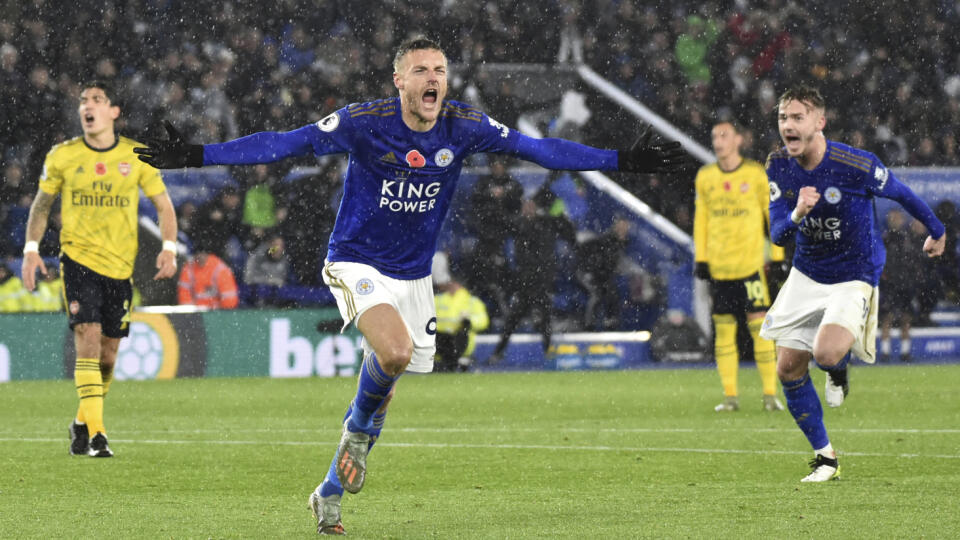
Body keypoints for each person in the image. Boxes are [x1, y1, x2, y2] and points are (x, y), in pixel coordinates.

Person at [134, 36, 691, 535]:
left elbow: (538, 149)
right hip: (355, 261)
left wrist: (623, 158)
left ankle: (328, 492)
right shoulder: (364, 121)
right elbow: (288, 143)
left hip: (413, 274)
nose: (433, 80)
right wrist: (197, 155)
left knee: (389, 383)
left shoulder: (464, 126)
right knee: (393, 356)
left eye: (440, 71)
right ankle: (353, 434)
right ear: (398, 80)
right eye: (422, 70)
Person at [760, 85, 945, 482]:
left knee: (826, 354)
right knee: (788, 369)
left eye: (797, 117)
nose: (787, 125)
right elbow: (777, 233)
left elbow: (901, 193)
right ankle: (826, 458)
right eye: (782, 118)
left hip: (853, 274)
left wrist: (937, 229)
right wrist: (797, 213)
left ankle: (838, 369)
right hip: (808, 273)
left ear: (819, 122)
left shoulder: (855, 164)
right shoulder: (777, 164)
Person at [21, 80, 178, 458]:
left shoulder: (135, 156)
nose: (87, 106)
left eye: (97, 100)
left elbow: (165, 207)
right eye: (83, 101)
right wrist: (30, 249)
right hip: (77, 262)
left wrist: (169, 248)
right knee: (87, 341)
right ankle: (97, 435)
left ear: (113, 112)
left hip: (120, 270)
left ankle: (80, 421)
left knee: (108, 356)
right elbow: (42, 206)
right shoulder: (63, 156)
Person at [693, 120, 785, 413]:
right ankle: (730, 396)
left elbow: (772, 216)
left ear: (738, 140)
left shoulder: (755, 174)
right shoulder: (705, 177)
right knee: (724, 331)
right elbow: (701, 220)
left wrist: (780, 256)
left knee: (761, 329)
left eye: (724, 135)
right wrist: (701, 259)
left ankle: (770, 395)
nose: (718, 141)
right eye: (714, 136)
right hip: (720, 268)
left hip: (750, 267)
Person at [488, 196, 577, 364]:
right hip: (526, 283)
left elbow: (567, 235)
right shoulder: (520, 226)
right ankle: (500, 352)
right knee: (515, 321)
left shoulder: (544, 225)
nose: (528, 210)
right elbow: (502, 224)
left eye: (531, 207)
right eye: (525, 207)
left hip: (539, 282)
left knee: (542, 320)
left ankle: (547, 352)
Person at [431, 252, 489, 372]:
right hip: (439, 347)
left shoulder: (472, 302)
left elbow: (483, 321)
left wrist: (469, 321)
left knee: (461, 334)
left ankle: (455, 361)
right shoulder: (437, 299)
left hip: (460, 346)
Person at [577, 216, 631, 331]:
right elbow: (599, 261)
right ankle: (589, 324)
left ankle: (609, 321)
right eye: (620, 227)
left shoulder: (622, 243)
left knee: (612, 293)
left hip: (601, 274)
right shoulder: (608, 241)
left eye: (625, 227)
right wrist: (591, 273)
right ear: (615, 227)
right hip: (590, 272)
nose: (623, 230)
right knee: (597, 294)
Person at [877, 210, 917, 362]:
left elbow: (913, 259)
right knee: (887, 317)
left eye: (899, 218)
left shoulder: (908, 238)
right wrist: (885, 275)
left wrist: (912, 277)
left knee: (906, 318)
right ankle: (885, 352)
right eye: (894, 218)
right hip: (889, 284)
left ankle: (905, 352)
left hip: (905, 284)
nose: (897, 220)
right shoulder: (885, 238)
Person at [177, 240, 240, 309]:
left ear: (207, 254)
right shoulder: (189, 269)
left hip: (217, 312)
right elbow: (184, 295)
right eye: (197, 254)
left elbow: (229, 299)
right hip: (196, 313)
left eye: (202, 254)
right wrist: (191, 311)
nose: (200, 257)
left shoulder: (219, 269)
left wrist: (218, 311)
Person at [244, 233, 289, 307]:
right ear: (270, 245)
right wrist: (269, 280)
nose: (279, 248)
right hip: (255, 296)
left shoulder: (284, 259)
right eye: (276, 245)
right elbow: (248, 278)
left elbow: (283, 280)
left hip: (276, 297)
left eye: (281, 246)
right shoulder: (257, 257)